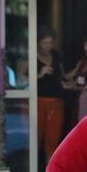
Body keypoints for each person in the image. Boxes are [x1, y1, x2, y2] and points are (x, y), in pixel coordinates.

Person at [36, 28, 66, 160]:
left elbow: (62, 75)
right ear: (38, 43)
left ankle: (49, 170)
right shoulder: (31, 56)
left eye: (50, 43)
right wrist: (39, 74)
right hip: (38, 100)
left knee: (53, 138)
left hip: (56, 101)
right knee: (35, 136)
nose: (48, 46)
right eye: (44, 43)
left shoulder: (56, 55)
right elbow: (20, 79)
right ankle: (33, 167)